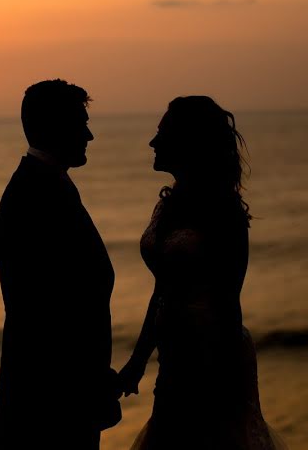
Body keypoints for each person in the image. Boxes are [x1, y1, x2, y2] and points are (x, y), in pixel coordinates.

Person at [119, 96, 286, 450]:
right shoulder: (168, 205)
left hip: (212, 356)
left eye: (161, 134)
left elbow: (229, 301)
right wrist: (137, 361)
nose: (152, 142)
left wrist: (222, 379)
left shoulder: (223, 213)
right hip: (173, 352)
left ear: (187, 143)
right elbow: (161, 290)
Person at [0, 79, 121, 450]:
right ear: (55, 127)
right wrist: (87, 381)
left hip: (63, 393)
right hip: (51, 400)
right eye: (81, 124)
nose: (90, 135)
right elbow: (46, 310)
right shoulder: (33, 195)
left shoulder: (48, 185)